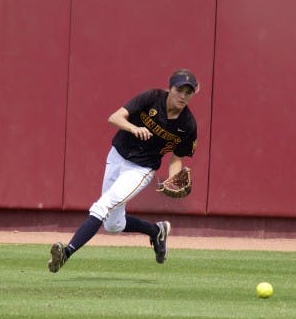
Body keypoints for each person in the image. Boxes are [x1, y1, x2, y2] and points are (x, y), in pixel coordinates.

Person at [48, 69, 199, 273]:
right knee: (113, 225)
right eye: (179, 89)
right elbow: (114, 117)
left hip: (141, 170)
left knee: (103, 205)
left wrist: (173, 177)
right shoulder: (151, 98)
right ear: (169, 88)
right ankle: (156, 231)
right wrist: (132, 128)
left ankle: (66, 253)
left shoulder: (188, 125)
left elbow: (177, 158)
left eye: (188, 92)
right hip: (117, 156)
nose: (183, 95)